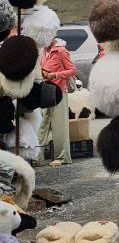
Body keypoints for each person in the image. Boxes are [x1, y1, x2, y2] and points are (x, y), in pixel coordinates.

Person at [36, 35, 77, 167]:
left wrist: (55, 75)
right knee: (42, 124)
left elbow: (72, 70)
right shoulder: (44, 50)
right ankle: (37, 157)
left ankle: (62, 157)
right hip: (46, 90)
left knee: (60, 125)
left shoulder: (61, 50)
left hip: (59, 91)